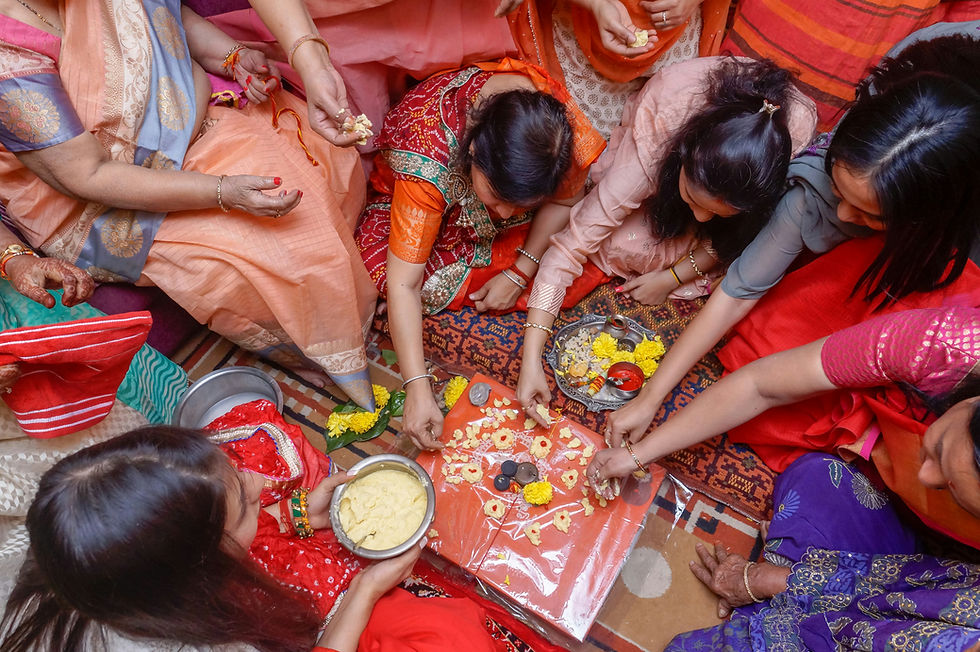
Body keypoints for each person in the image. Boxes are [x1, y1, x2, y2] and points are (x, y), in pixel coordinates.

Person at [601, 23, 980, 446]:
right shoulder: (812, 192)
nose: (840, 214)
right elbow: (737, 293)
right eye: (838, 190)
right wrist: (650, 397)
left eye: (869, 214)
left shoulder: (957, 232)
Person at [0, 0, 378, 409]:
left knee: (330, 160)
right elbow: (85, 176)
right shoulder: (9, 56)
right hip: (111, 200)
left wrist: (232, 57)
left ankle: (353, 314)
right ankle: (337, 366)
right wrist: (221, 193)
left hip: (191, 114)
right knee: (278, 255)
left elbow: (164, 17)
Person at [0, 401, 522, 652]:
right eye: (247, 506)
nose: (257, 481)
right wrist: (366, 589)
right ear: (199, 571)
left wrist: (292, 515)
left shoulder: (89, 538)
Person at [516, 55, 816, 417]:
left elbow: (740, 236)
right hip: (659, 129)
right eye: (692, 198)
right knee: (620, 243)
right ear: (682, 159)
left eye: (718, 214)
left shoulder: (790, 139)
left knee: (736, 246)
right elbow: (569, 249)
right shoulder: (658, 145)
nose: (701, 217)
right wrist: (530, 359)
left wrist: (672, 276)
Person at [354, 57, 605, 450]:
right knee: (392, 277)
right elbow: (405, 282)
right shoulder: (428, 156)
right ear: (472, 151)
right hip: (416, 199)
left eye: (518, 204)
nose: (502, 214)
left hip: (504, 214)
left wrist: (522, 269)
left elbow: (568, 198)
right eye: (497, 199)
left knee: (575, 253)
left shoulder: (554, 131)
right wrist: (418, 388)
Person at [589, 306, 980, 547]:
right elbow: (760, 386)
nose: (924, 474)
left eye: (957, 493)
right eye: (942, 451)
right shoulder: (940, 345)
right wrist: (638, 454)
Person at [664, 453, 980, 651]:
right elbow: (915, 591)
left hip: (830, 640)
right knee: (821, 480)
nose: (925, 477)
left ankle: (777, 608)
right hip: (891, 592)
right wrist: (775, 579)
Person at [501, 0, 732, 139]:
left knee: (663, 162)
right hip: (580, 43)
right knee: (580, 162)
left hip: (680, 37)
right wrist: (597, 5)